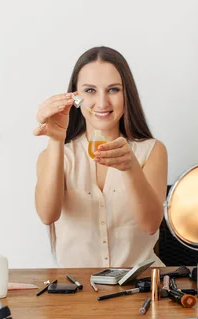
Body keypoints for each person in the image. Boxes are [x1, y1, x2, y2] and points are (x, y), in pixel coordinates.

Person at [34, 46, 168, 268]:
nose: (102, 103)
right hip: (79, 292)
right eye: (90, 91)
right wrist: (56, 140)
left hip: (141, 287)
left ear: (127, 95)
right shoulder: (57, 155)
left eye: (113, 90)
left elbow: (151, 225)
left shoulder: (151, 151)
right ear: (75, 97)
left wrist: (130, 167)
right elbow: (48, 215)